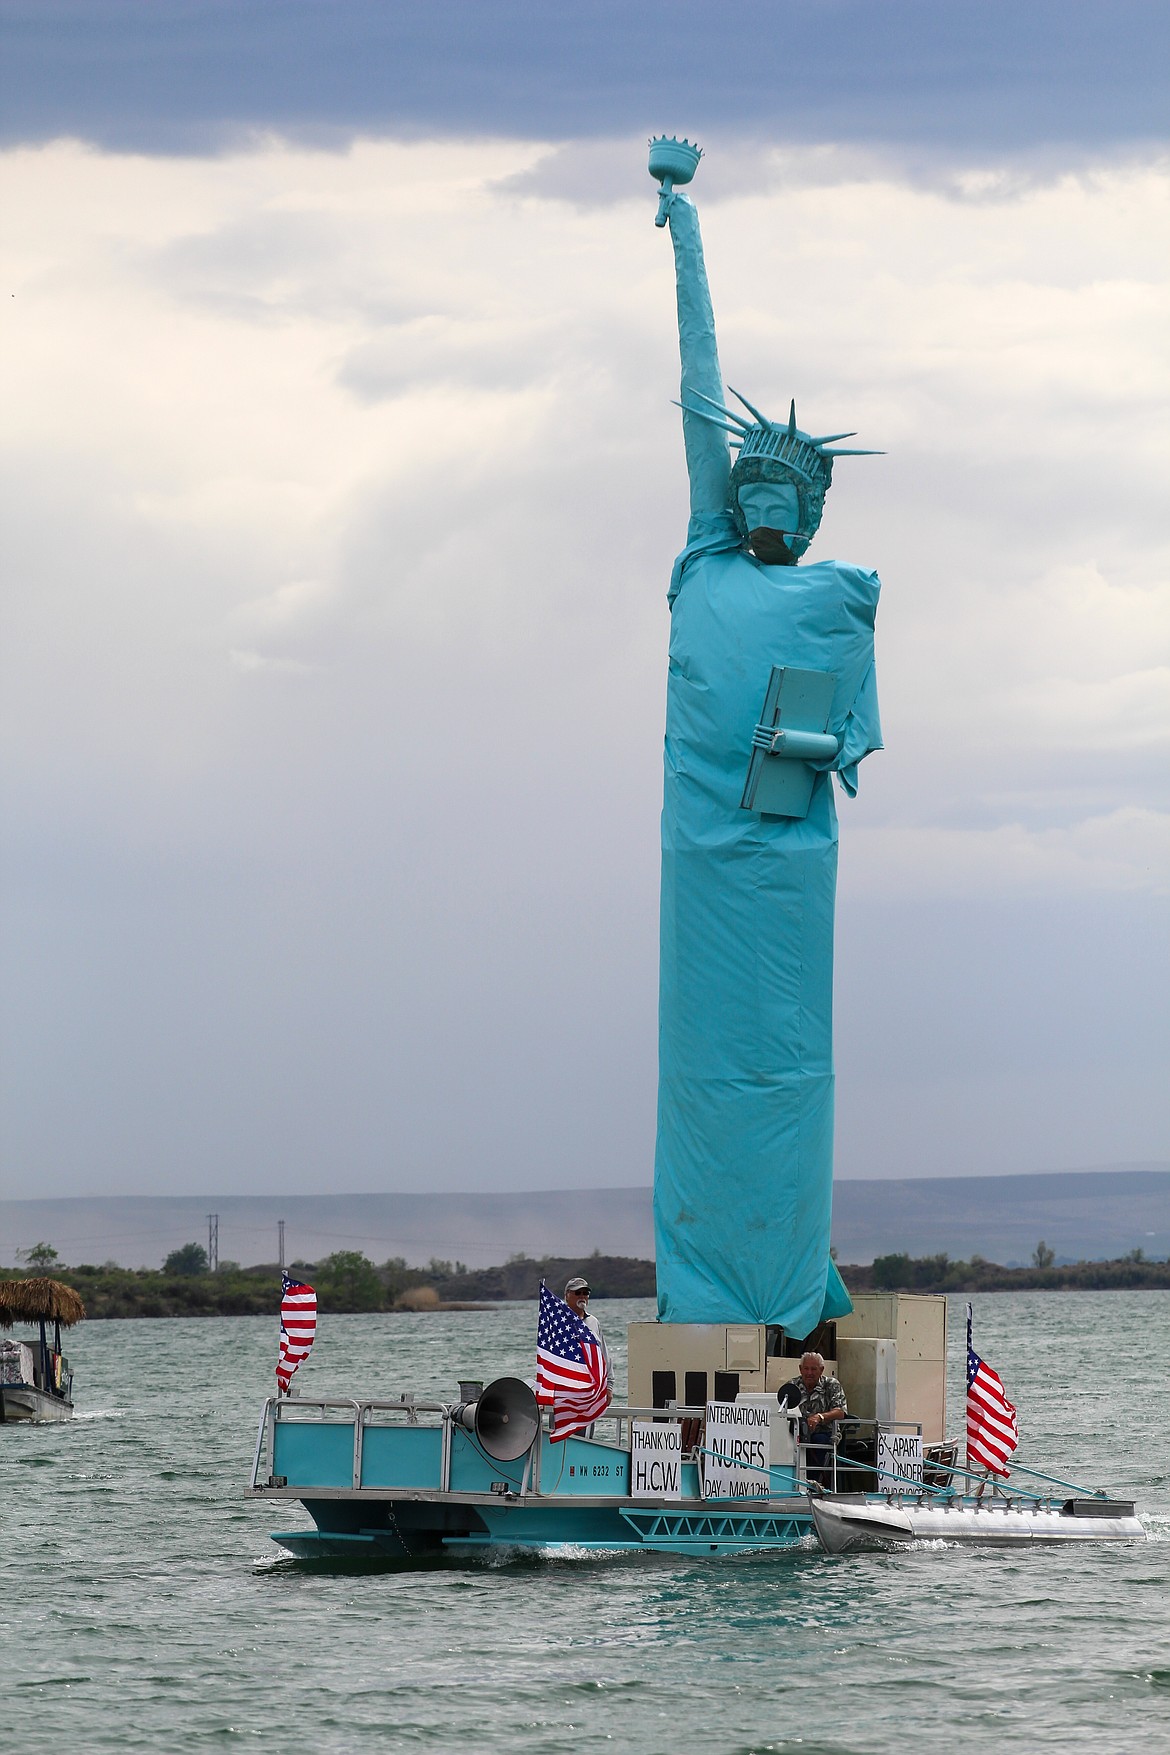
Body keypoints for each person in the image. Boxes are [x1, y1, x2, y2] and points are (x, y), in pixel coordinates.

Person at [778, 1351, 847, 1490]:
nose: (809, 1372)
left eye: (813, 1369)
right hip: (796, 1433)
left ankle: (814, 1487)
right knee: (782, 1445)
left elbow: (841, 1412)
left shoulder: (831, 1385)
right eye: (806, 1368)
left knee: (817, 1442)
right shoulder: (792, 1386)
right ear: (800, 1369)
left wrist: (820, 1417)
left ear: (821, 1370)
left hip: (824, 1433)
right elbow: (782, 1409)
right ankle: (788, 1487)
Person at [564, 1276, 610, 1435]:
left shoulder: (594, 1322)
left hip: (590, 1393)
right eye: (578, 1293)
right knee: (564, 1439)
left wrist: (608, 1387)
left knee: (586, 1439)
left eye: (585, 1293)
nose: (582, 1296)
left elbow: (604, 1355)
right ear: (567, 1295)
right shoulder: (558, 1321)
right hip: (565, 1394)